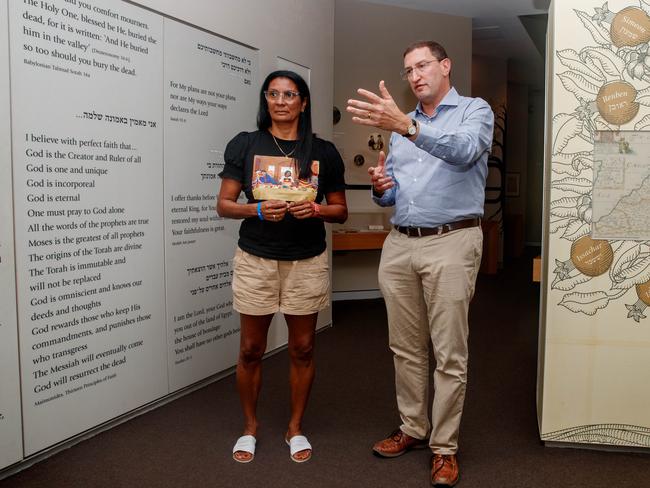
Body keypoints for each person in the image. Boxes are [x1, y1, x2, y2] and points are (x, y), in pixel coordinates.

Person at [347, 40, 493, 487]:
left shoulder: (475, 110)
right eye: (408, 69)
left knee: (450, 353)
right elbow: (394, 195)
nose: (415, 75)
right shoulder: (399, 130)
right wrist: (381, 186)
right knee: (405, 347)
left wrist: (407, 126)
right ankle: (413, 426)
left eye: (423, 65)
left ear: (445, 66)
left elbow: (464, 151)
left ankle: (444, 447)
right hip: (400, 243)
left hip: (452, 241)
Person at [217, 70, 347, 464]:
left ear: (303, 103)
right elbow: (224, 204)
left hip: (305, 260)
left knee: (303, 348)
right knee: (251, 348)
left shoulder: (323, 152)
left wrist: (318, 209)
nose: (280, 101)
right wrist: (255, 208)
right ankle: (250, 427)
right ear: (265, 100)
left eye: (290, 94)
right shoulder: (246, 145)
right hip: (256, 257)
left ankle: (295, 427)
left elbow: (340, 211)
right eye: (272, 94)